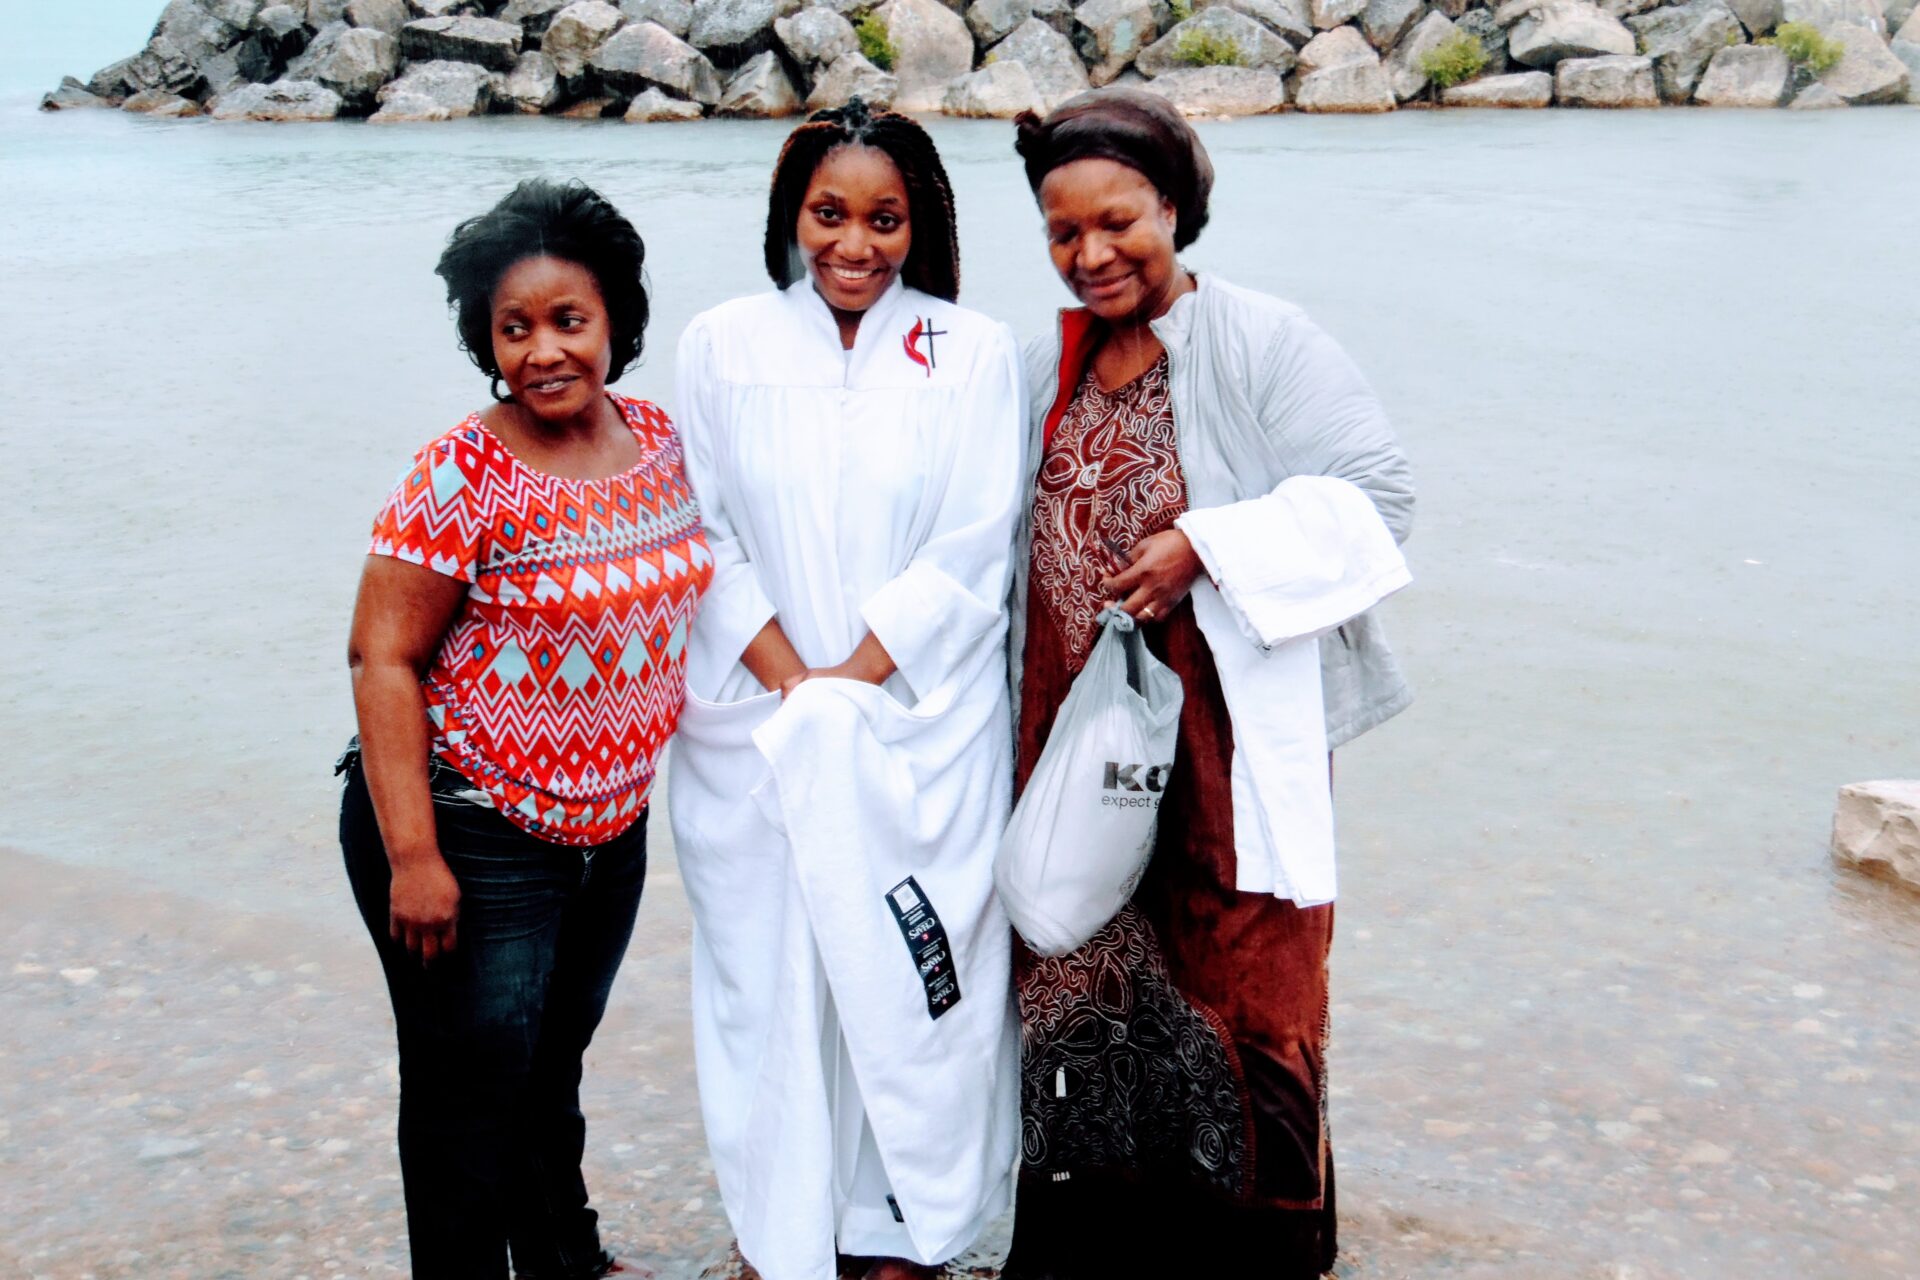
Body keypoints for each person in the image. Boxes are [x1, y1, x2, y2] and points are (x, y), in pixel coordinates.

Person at [1001, 90, 1415, 1279]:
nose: (1092, 256)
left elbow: (1379, 496)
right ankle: (1102, 1244)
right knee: (1082, 965)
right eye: (1061, 234)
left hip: (1230, 741)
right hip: (1078, 737)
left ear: (1173, 207)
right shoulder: (1047, 365)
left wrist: (1208, 545)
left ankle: (1266, 1254)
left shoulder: (1261, 339)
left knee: (1244, 983)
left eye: (1117, 222)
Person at [668, 100, 1025, 1280]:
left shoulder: (971, 352)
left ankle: (907, 1219)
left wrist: (852, 690)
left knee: (910, 958)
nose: (855, 245)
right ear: (791, 215)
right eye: (830, 214)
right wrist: (795, 691)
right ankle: (782, 1217)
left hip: (918, 714)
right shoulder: (723, 344)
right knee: (772, 972)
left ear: (920, 225)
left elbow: (976, 544)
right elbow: (701, 530)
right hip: (760, 715)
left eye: (885, 218)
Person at [340, 179, 712, 1280]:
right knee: (467, 1092)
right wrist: (414, 853)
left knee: (551, 1062)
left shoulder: (658, 438)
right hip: (470, 830)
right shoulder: (462, 468)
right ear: (486, 341)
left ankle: (567, 1259)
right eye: (515, 328)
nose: (544, 350)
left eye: (568, 320)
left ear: (615, 323)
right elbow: (382, 655)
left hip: (609, 832)